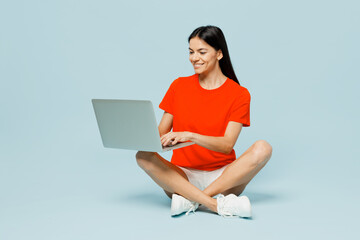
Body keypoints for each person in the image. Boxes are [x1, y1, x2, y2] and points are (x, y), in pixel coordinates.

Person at [136, 25, 272, 217]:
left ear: (219, 54)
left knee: (263, 148)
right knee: (142, 156)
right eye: (191, 52)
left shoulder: (239, 94)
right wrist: (141, 135)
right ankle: (215, 205)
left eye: (202, 52)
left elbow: (226, 145)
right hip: (181, 177)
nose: (194, 58)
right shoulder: (178, 86)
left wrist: (190, 135)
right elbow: (161, 133)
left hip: (224, 178)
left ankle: (193, 200)